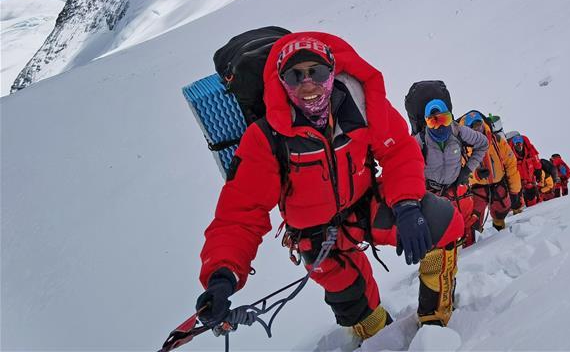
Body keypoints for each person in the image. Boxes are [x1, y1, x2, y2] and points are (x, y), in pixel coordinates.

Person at [196, 33, 464, 340]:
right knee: (355, 306)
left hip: (364, 209)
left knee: (440, 222)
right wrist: (222, 276)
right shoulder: (265, 137)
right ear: (281, 82)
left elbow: (398, 151)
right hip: (316, 239)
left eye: (317, 72)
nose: (307, 83)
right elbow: (240, 213)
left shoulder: (362, 105)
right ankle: (382, 340)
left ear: (332, 72)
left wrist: (406, 204)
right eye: (295, 75)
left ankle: (435, 319)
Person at [415, 99, 488, 242]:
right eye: (433, 121)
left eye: (444, 119)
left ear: (451, 117)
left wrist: (467, 170)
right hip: (433, 196)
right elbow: (405, 166)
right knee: (442, 238)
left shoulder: (459, 131)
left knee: (467, 232)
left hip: (458, 192)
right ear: (426, 123)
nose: (440, 126)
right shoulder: (419, 141)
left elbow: (483, 143)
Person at [457, 111, 522, 243]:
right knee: (472, 219)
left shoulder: (497, 141)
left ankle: (501, 239)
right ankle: (470, 247)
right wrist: (475, 175)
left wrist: (515, 191)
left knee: (502, 209)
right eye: (473, 127)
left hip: (498, 184)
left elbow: (511, 164)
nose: (478, 129)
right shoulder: (461, 147)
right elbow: (458, 170)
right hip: (475, 189)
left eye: (479, 125)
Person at [507, 131, 544, 208]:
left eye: (520, 143)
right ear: (513, 144)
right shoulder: (509, 154)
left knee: (532, 198)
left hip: (530, 180)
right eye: (516, 144)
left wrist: (538, 171)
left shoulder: (530, 150)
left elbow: (536, 161)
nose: (519, 145)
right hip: (517, 182)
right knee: (516, 202)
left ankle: (534, 212)